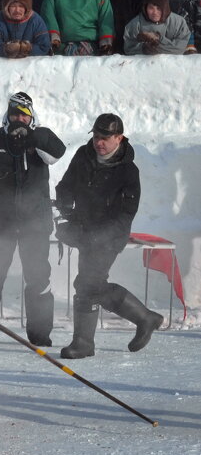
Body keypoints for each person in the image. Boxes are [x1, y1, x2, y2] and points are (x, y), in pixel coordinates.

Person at [54, 114, 161, 358]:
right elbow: (66, 185)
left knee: (88, 284)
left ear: (118, 138)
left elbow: (126, 215)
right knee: (89, 285)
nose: (98, 143)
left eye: (104, 138)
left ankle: (86, 342)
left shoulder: (128, 172)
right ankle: (143, 319)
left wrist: (99, 235)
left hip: (109, 237)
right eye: (95, 137)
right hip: (83, 230)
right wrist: (63, 209)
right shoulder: (84, 155)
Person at [0, 93, 65, 346]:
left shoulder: (41, 137)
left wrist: (33, 138)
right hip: (2, 222)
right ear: (7, 115)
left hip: (35, 221)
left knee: (38, 277)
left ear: (31, 116)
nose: (19, 118)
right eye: (15, 114)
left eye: (24, 114)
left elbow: (58, 152)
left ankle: (40, 334)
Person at [123, 0, 191, 52]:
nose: (155, 12)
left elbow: (181, 47)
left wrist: (159, 41)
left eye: (159, 8)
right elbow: (128, 47)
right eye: (151, 8)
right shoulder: (135, 24)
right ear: (145, 8)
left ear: (165, 8)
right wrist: (143, 48)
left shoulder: (178, 23)